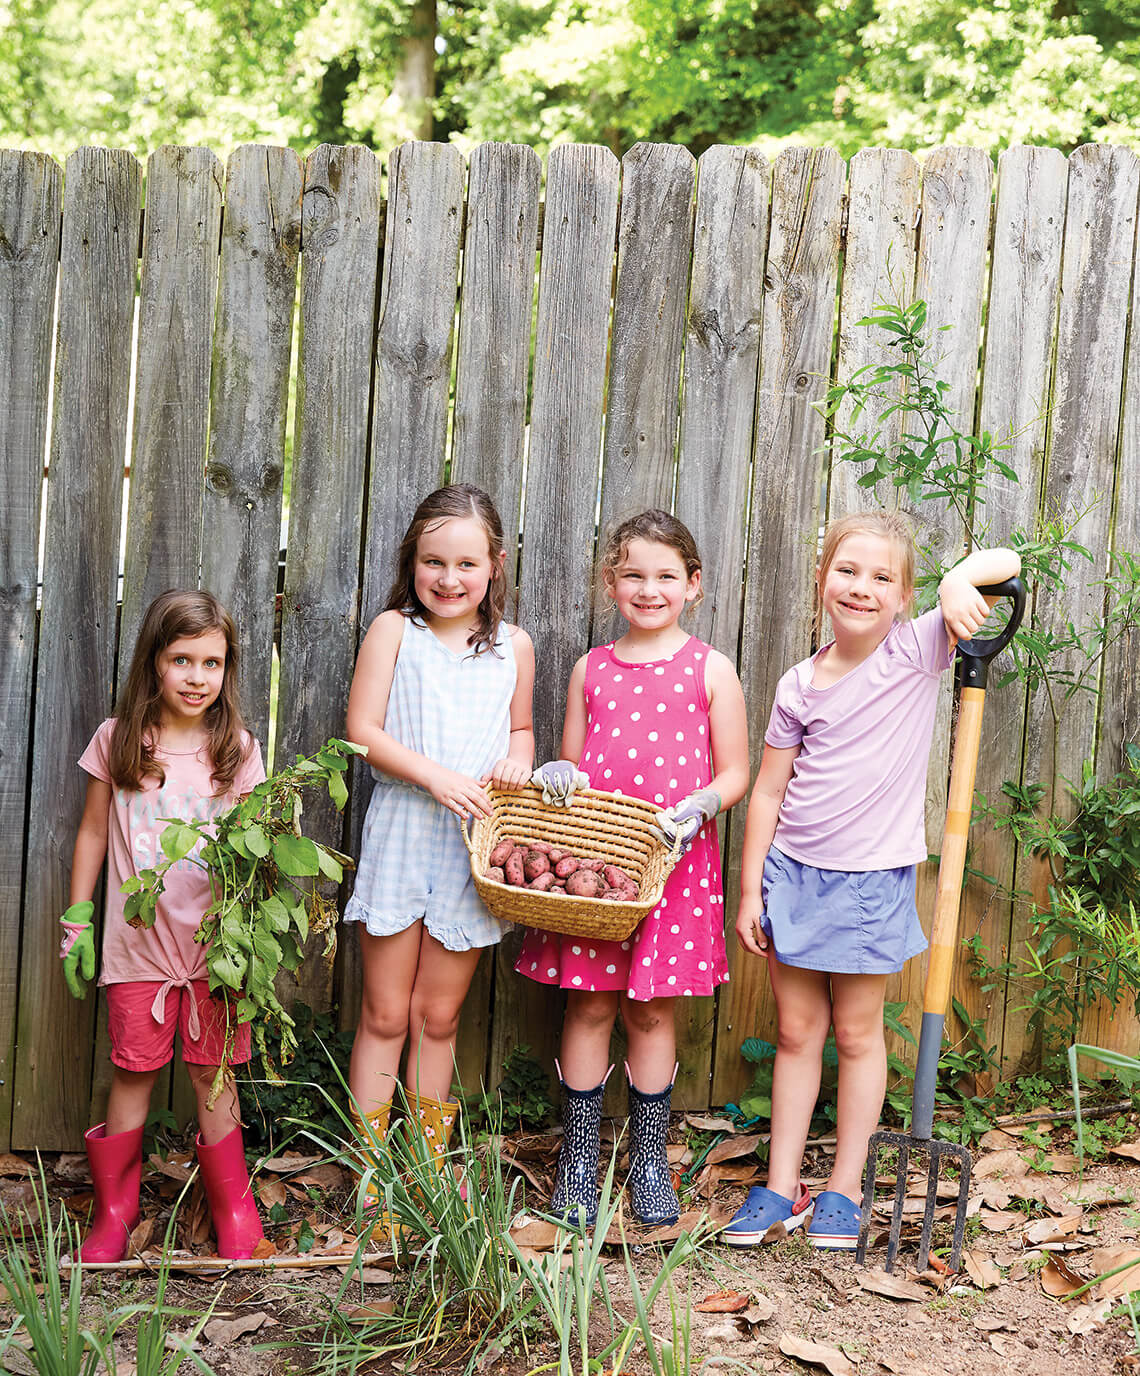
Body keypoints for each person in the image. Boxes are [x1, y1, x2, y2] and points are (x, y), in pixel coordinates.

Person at [723, 511, 1020, 1250]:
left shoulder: (915, 651)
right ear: (822, 579)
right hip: (793, 875)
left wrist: (956, 581)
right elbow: (768, 792)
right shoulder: (798, 684)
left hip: (868, 883)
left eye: (883, 577)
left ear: (904, 596)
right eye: (848, 570)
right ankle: (781, 1187)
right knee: (796, 1033)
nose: (862, 587)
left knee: (857, 1034)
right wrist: (751, 888)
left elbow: (1007, 560)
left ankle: (845, 1188)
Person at [519, 510, 749, 1227]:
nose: (650, 590)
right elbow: (575, 765)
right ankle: (579, 1158)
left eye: (666, 576)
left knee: (651, 1009)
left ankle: (650, 1158)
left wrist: (704, 803)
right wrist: (559, 773)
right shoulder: (592, 668)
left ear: (693, 584)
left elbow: (737, 771)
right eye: (633, 576)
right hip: (599, 866)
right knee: (589, 1004)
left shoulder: (710, 669)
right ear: (611, 582)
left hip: (674, 864)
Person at [343, 484, 534, 1233]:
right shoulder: (395, 631)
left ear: (495, 565)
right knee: (386, 1011)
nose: (449, 578)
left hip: (472, 845)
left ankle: (424, 1169)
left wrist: (518, 760)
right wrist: (434, 776)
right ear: (412, 562)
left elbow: (519, 730)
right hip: (402, 829)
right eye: (433, 562)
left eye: (466, 563)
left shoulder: (513, 646)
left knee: (439, 1014)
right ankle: (368, 1175)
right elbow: (362, 730)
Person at [59, 589, 267, 1263]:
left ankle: (233, 1208)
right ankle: (114, 1216)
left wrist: (251, 934)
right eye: (182, 660)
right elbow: (93, 832)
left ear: (227, 669)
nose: (198, 677)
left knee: (215, 1076)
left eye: (212, 663)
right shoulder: (120, 740)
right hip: (137, 950)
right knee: (133, 1073)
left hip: (215, 952)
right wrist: (77, 918)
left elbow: (256, 850)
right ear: (154, 660)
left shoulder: (237, 750)